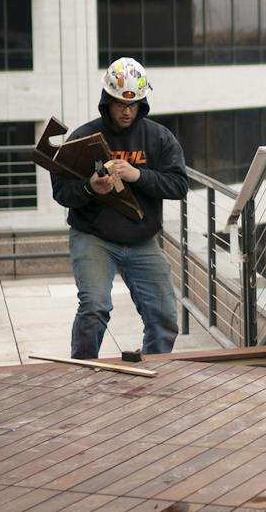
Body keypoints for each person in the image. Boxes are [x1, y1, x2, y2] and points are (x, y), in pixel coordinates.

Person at [51, 57, 188, 359]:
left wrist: (137, 175)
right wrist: (89, 188)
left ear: (142, 103)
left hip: (141, 239)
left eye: (134, 104)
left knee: (164, 316)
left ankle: (154, 370)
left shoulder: (159, 138)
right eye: (119, 104)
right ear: (107, 101)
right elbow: (61, 192)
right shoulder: (82, 139)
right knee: (94, 308)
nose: (127, 111)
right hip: (94, 237)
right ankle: (84, 371)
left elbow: (179, 185)